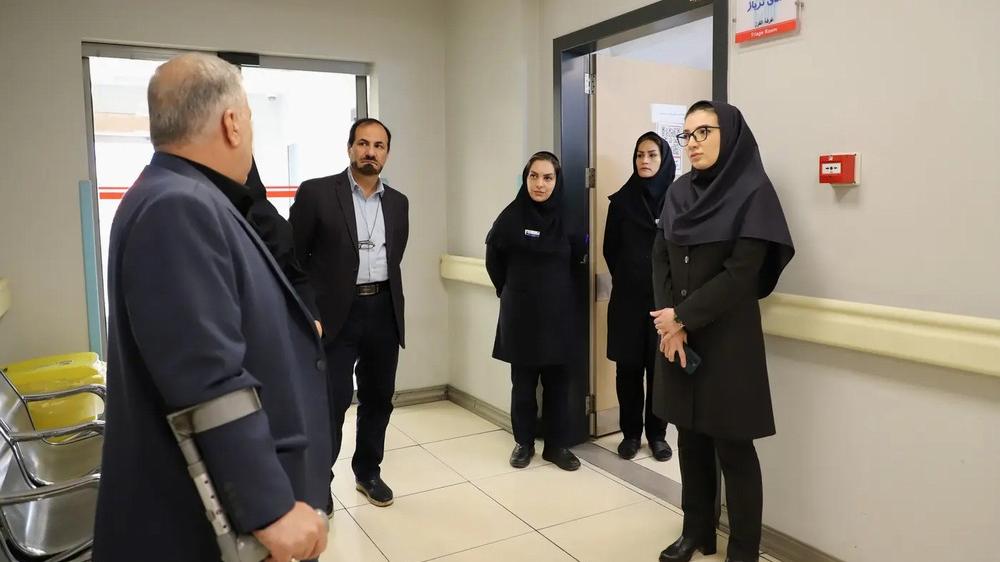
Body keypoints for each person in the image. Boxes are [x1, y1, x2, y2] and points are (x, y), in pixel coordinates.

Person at [95, 53, 330, 562]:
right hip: (199, 521)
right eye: (249, 119)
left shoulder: (185, 196)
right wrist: (269, 509)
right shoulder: (179, 206)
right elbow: (207, 379)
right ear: (232, 123)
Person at [651, 101, 794, 562]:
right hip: (679, 339)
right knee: (690, 441)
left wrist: (681, 317)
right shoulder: (677, 193)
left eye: (703, 132)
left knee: (734, 449)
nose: (692, 143)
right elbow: (660, 255)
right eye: (686, 135)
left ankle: (743, 551)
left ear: (729, 134)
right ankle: (695, 531)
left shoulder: (754, 192)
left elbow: (741, 274)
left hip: (729, 342)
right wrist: (670, 321)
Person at [290, 118, 408, 508]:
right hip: (334, 314)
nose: (370, 152)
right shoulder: (317, 193)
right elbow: (293, 260)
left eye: (378, 146)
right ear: (350, 148)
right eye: (363, 143)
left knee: (379, 398)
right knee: (332, 402)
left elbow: (395, 257)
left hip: (384, 311)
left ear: (386, 154)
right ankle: (318, 482)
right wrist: (308, 311)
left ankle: (368, 472)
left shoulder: (398, 203)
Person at [485, 151, 585, 472]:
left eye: (547, 177)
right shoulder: (510, 217)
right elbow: (494, 260)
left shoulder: (570, 219)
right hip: (521, 316)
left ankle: (556, 446)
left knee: (558, 385)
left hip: (559, 316)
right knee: (524, 386)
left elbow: (578, 262)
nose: (540, 184)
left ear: (557, 181)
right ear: (526, 178)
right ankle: (523, 443)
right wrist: (509, 290)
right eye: (534, 176)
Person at [603, 131, 676, 462]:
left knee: (660, 371)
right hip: (628, 302)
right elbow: (610, 249)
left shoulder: (678, 201)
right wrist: (631, 276)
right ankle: (630, 434)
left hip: (664, 303)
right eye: (639, 155)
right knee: (628, 370)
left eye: (652, 155)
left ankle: (657, 435)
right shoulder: (621, 202)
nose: (644, 161)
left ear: (664, 159)